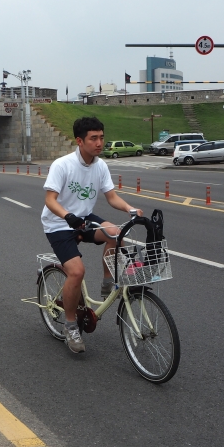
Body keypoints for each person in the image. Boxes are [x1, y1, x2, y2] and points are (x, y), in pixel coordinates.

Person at [41, 116, 141, 353]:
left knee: (116, 233)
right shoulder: (62, 165)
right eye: (93, 138)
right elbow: (50, 200)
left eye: (101, 137)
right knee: (76, 271)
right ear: (79, 141)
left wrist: (130, 209)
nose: (99, 143)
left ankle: (108, 282)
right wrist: (67, 217)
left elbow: (112, 197)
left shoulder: (100, 165)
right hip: (59, 223)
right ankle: (70, 325)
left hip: (84, 219)